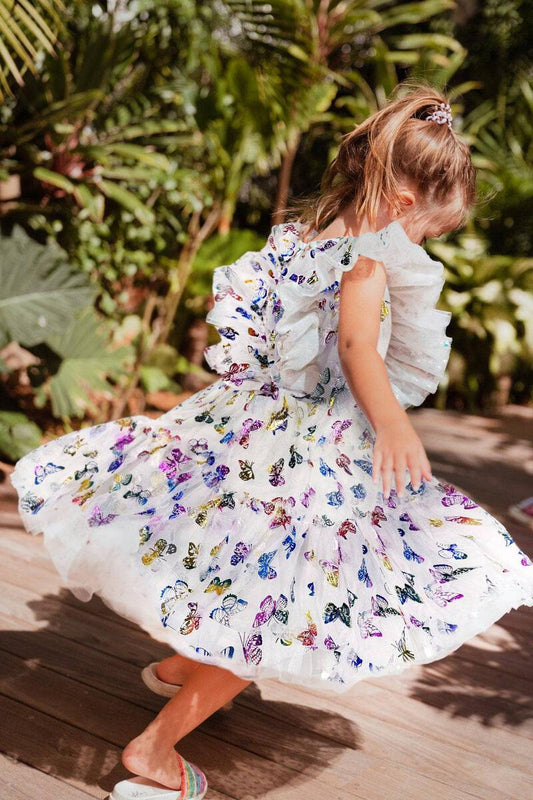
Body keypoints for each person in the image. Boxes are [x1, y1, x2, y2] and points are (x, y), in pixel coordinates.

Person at [9, 84, 533, 800]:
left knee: (234, 567)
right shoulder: (368, 255)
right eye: (429, 232)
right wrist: (394, 424)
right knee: (279, 610)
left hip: (253, 429)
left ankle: (180, 669)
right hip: (307, 454)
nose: (422, 245)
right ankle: (153, 752)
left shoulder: (306, 235)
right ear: (405, 205)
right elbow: (354, 347)